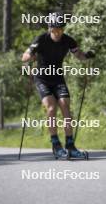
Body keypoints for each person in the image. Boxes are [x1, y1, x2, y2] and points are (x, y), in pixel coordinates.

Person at [22, 12, 94, 158]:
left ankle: (70, 145)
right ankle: (56, 145)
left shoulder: (68, 40)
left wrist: (86, 56)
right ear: (50, 28)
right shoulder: (41, 39)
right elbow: (24, 56)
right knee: (51, 106)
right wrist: (30, 56)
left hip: (57, 78)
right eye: (55, 29)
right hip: (42, 78)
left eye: (60, 29)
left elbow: (78, 54)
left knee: (65, 105)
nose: (58, 32)